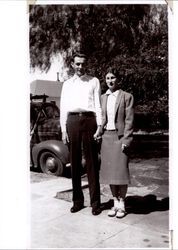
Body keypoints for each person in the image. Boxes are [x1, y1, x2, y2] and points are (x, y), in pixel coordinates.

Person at [60, 53, 102, 215]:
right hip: (72, 121)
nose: (80, 67)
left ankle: (95, 203)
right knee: (75, 162)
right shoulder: (67, 84)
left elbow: (98, 104)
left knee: (92, 162)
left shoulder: (94, 81)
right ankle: (77, 201)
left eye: (83, 64)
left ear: (86, 64)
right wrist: (64, 129)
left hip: (90, 120)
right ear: (72, 64)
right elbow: (63, 107)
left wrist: (99, 126)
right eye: (77, 64)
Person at [99, 67, 134, 218]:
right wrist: (98, 133)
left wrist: (127, 139)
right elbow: (100, 118)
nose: (110, 81)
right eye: (107, 78)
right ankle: (115, 202)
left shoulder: (127, 96)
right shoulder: (102, 97)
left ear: (118, 79)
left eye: (112, 77)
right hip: (106, 137)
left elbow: (129, 120)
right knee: (110, 173)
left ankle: (122, 204)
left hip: (120, 138)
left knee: (120, 172)